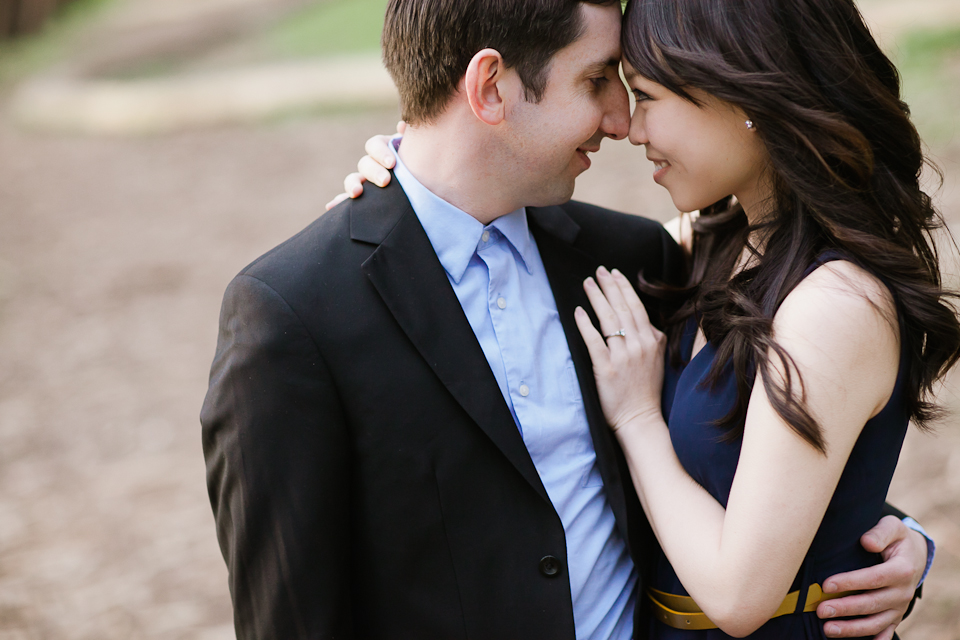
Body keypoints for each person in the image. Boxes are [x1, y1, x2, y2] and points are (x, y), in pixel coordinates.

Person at [203, 1, 932, 639]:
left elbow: (764, 440)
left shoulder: (631, 259)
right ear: (490, 87)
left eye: (636, 89)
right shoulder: (297, 315)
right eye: (597, 82)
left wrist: (893, 536)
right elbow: (291, 616)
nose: (619, 120)